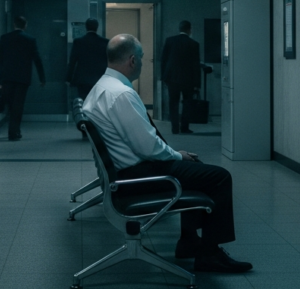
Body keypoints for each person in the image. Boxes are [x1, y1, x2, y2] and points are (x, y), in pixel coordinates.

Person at [82, 34, 252, 273]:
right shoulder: (121, 94)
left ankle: (190, 241)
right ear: (132, 60)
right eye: (141, 58)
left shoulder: (101, 87)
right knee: (219, 177)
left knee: (197, 167)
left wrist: (176, 155)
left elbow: (144, 143)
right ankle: (209, 254)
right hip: (136, 176)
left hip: (123, 174)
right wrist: (178, 155)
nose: (142, 63)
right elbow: (148, 147)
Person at [0, 16, 46, 141]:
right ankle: (14, 131)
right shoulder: (30, 40)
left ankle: (12, 129)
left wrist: (2, 72)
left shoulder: (4, 38)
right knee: (18, 104)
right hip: (22, 78)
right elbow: (37, 59)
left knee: (10, 103)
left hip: (7, 77)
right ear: (25, 25)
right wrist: (42, 77)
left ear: (14, 25)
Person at [161, 20, 202, 134]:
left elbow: (163, 60)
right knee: (187, 104)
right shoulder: (194, 44)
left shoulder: (170, 41)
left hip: (172, 79)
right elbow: (196, 65)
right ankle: (184, 127)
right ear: (189, 29)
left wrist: (163, 77)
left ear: (180, 29)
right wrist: (197, 83)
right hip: (188, 80)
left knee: (173, 103)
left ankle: (174, 128)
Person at [67, 18, 108, 100]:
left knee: (84, 100)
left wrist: (68, 78)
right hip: (99, 78)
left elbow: (72, 61)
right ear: (97, 27)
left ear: (86, 27)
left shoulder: (78, 42)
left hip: (82, 79)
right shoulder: (105, 42)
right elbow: (109, 61)